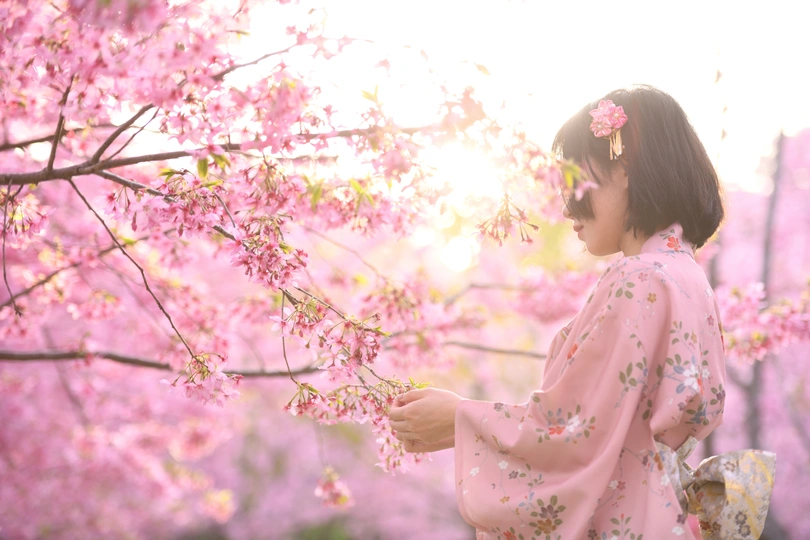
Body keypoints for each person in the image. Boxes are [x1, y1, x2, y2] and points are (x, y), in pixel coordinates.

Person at [389, 85, 775, 539]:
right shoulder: (686, 277)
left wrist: (461, 418)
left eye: (574, 179)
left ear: (624, 165)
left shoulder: (641, 279)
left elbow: (575, 431)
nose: (566, 203)